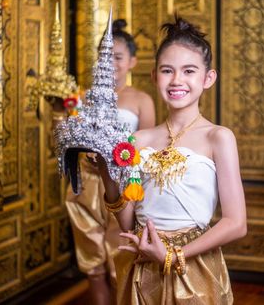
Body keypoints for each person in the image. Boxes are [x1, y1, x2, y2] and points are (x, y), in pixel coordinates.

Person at [97, 16, 247, 304]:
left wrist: (172, 254)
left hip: (194, 267)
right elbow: (129, 223)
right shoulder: (138, 140)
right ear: (154, 76)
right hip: (143, 268)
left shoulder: (218, 137)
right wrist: (106, 172)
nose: (177, 80)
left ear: (208, 78)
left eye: (188, 71)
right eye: (167, 71)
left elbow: (236, 222)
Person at [63, 19, 155, 305]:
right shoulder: (84, 98)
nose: (111, 63)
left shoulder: (141, 99)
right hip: (86, 186)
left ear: (132, 61)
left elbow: (147, 147)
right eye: (105, 58)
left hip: (123, 186)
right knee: (93, 266)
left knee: (121, 262)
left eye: (117, 57)